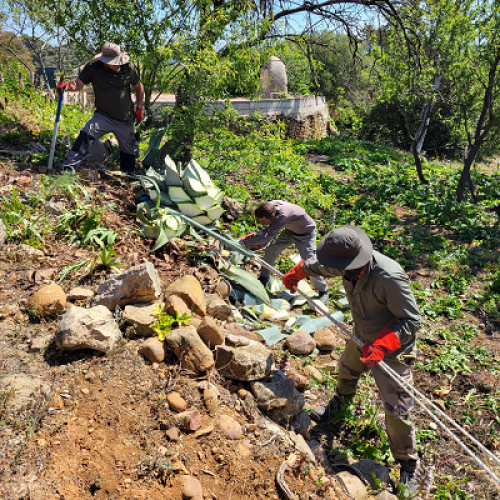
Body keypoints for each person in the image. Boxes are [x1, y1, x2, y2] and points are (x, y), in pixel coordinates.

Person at [282, 225, 421, 494]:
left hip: (390, 350)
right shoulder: (347, 266)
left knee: (397, 410)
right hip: (361, 338)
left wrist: (383, 344)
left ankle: (408, 465)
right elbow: (321, 266)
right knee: (346, 370)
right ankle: (340, 405)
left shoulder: (389, 277)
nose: (336, 269)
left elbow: (412, 320)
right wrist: (299, 271)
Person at [57, 42, 145, 175]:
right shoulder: (93, 68)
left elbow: (139, 87)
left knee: (128, 152)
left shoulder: (128, 69)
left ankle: (128, 175)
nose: (117, 64)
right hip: (103, 116)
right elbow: (77, 84)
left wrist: (139, 108)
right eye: (113, 62)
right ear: (104, 61)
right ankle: (69, 167)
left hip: (125, 119)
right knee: (86, 134)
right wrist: (67, 86)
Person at [238, 200, 329, 304]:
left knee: (308, 262)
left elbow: (267, 237)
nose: (261, 223)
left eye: (263, 221)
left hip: (306, 234)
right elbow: (267, 233)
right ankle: (264, 278)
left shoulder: (283, 216)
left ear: (272, 217)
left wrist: (245, 243)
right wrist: (255, 238)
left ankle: (323, 290)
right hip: (290, 231)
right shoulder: (270, 206)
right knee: (271, 249)